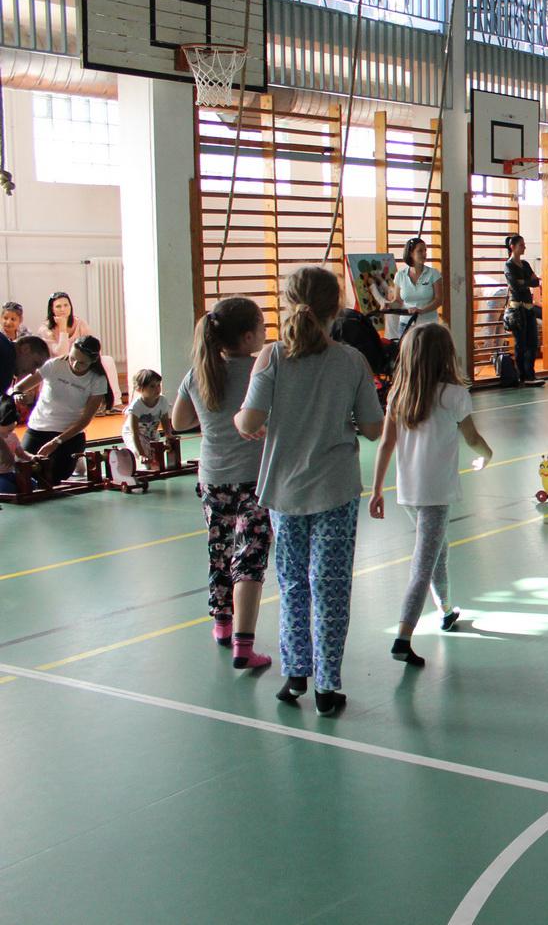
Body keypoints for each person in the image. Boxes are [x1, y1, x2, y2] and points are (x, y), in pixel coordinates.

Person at [237, 265, 385, 716]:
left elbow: (249, 420)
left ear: (288, 303)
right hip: (335, 489)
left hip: (284, 490)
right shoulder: (351, 361)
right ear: (336, 308)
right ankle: (327, 685)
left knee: (293, 583)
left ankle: (295, 673)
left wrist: (244, 420)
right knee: (330, 587)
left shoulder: (272, 357)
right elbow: (374, 429)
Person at [368, 323, 491, 668]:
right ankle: (403, 637)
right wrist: (488, 454)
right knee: (423, 565)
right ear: (445, 356)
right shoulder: (454, 395)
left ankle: (446, 610)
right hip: (436, 494)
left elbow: (386, 444)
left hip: (409, 493)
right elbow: (472, 437)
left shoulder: (399, 394)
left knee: (438, 550)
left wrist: (377, 489)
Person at [172, 297, 274, 670]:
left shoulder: (199, 372)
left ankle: (222, 625)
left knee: (220, 551)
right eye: (262, 327)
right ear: (248, 337)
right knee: (250, 557)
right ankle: (244, 645)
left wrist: (210, 414)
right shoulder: (261, 369)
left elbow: (179, 422)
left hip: (213, 478)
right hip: (254, 477)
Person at [10, 335, 106, 486]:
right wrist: (18, 395)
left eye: (82, 363)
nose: (75, 364)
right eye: (72, 358)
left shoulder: (98, 379)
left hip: (68, 435)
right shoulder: (54, 365)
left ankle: (75, 460)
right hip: (38, 429)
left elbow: (85, 419)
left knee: (54, 478)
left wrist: (57, 442)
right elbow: (18, 387)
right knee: (25, 473)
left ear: (93, 361)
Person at [39, 291, 121, 408]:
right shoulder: (45, 329)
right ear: (52, 309)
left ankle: (115, 402)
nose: (63, 309)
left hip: (83, 363)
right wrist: (63, 328)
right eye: (58, 306)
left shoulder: (80, 323)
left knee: (107, 360)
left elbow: (93, 346)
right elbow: (61, 354)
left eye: (66, 305)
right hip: (60, 365)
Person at [387, 237, 444, 340]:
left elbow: (439, 300)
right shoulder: (400, 275)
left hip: (429, 325)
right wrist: (388, 305)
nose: (424, 254)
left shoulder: (433, 273)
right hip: (406, 324)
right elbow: (398, 301)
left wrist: (421, 310)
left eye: (425, 250)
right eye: (420, 251)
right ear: (411, 253)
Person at [121, 368, 177, 470]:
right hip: (133, 434)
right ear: (139, 389)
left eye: (158, 385)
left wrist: (168, 434)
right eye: (152, 386)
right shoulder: (136, 407)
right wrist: (141, 454)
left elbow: (165, 420)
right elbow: (134, 433)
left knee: (155, 458)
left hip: (150, 433)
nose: (157, 389)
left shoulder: (162, 401)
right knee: (146, 460)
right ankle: (128, 455)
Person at [503, 235, 541, 383]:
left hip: (529, 308)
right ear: (512, 247)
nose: (524, 247)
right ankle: (522, 375)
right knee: (521, 343)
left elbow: (536, 282)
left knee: (533, 342)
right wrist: (527, 282)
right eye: (521, 245)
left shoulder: (525, 264)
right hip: (517, 310)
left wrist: (523, 282)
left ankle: (530, 374)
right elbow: (515, 286)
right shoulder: (509, 265)